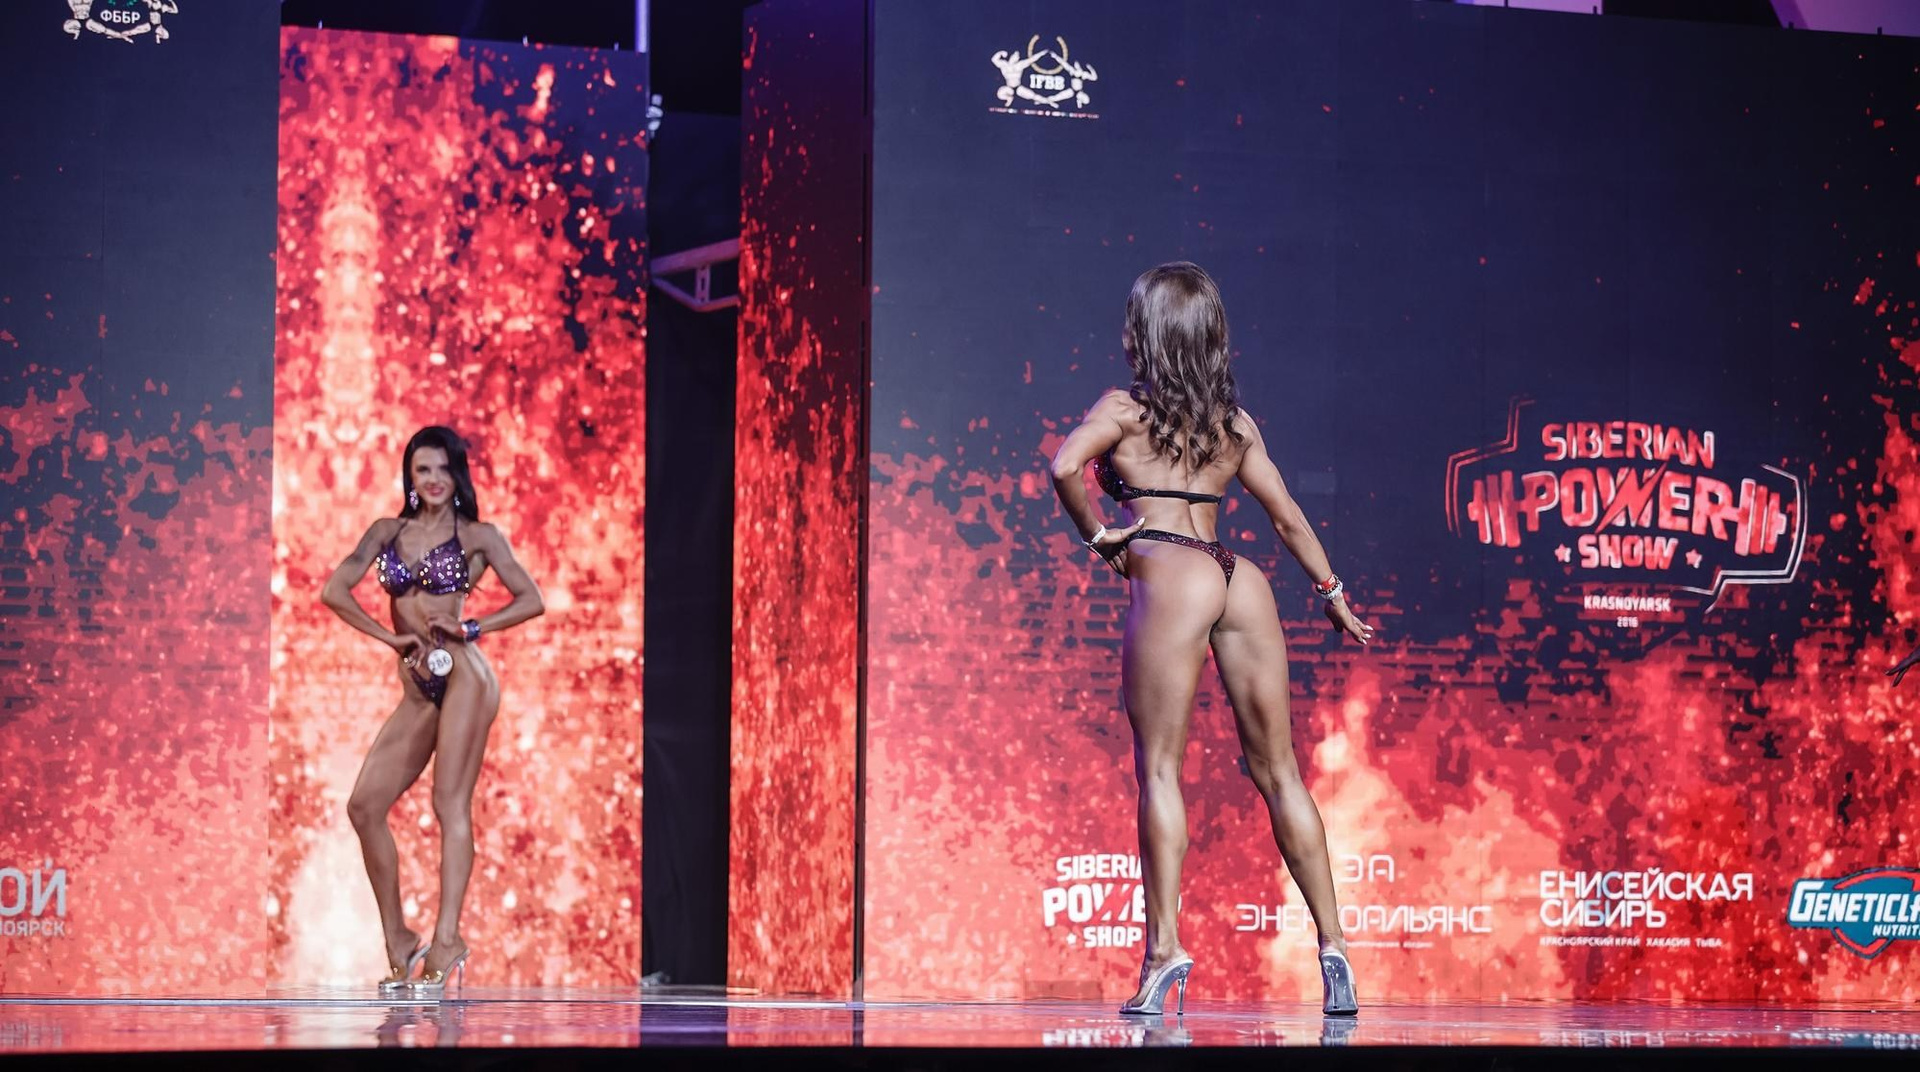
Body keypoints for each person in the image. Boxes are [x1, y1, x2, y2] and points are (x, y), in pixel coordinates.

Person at [1049, 263, 1371, 1017]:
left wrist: (1097, 535)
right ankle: (1335, 949)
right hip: (1238, 577)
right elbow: (1286, 515)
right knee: (1281, 773)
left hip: (1172, 570)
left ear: (1143, 332)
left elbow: (1064, 466)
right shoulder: (1235, 425)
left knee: (1160, 771)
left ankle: (1164, 952)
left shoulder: (1123, 411)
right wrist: (1332, 594)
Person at [320, 426, 545, 995]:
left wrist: (472, 627)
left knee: (449, 802)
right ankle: (398, 938)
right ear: (410, 477)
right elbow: (334, 591)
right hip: (419, 683)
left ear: (457, 474)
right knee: (364, 805)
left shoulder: (478, 536)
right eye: (424, 470)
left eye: (444, 469)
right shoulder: (387, 532)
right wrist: (390, 638)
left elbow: (532, 599)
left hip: (464, 673)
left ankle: (447, 940)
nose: (435, 479)